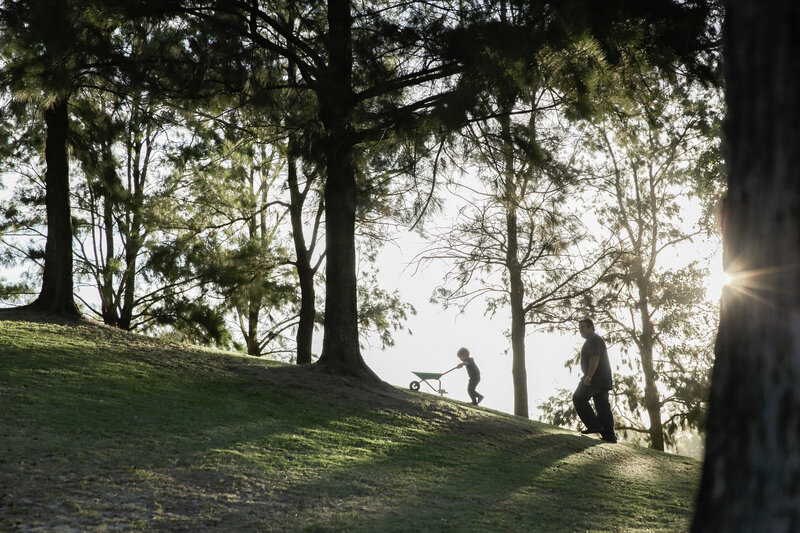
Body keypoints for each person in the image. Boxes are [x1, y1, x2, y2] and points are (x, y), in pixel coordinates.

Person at [573, 318, 617, 443]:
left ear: (591, 327)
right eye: (579, 328)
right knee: (602, 406)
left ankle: (594, 425)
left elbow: (595, 358)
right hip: (603, 379)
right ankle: (609, 436)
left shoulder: (593, 339)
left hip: (595, 378)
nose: (581, 330)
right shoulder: (594, 339)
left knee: (578, 398)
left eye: (583, 327)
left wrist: (589, 376)